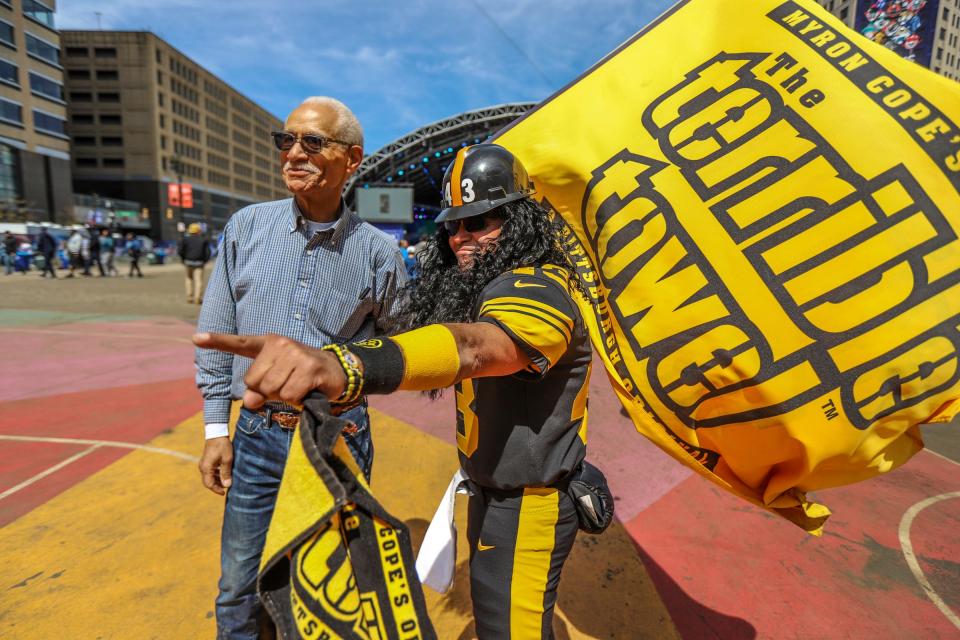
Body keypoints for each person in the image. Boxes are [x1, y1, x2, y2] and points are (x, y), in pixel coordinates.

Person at [195, 144, 593, 639]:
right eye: (453, 226)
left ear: (521, 219)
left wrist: (345, 364)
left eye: (481, 222)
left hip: (527, 500)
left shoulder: (535, 286)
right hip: (496, 491)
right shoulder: (494, 281)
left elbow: (479, 348)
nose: (461, 238)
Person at [193, 96, 407, 639]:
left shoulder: (380, 255)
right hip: (259, 434)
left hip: (338, 439)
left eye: (312, 142)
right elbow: (216, 331)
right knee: (237, 585)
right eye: (285, 140)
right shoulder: (246, 227)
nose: (293, 153)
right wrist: (216, 427)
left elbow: (397, 352)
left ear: (352, 159)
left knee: (325, 590)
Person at [178, 223, 211, 304]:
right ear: (198, 231)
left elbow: (180, 251)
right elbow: (208, 252)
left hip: (188, 262)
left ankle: (189, 297)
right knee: (198, 280)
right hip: (199, 263)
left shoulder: (185, 239)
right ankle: (198, 298)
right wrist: (205, 261)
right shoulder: (203, 240)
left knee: (188, 279)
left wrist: (183, 259)